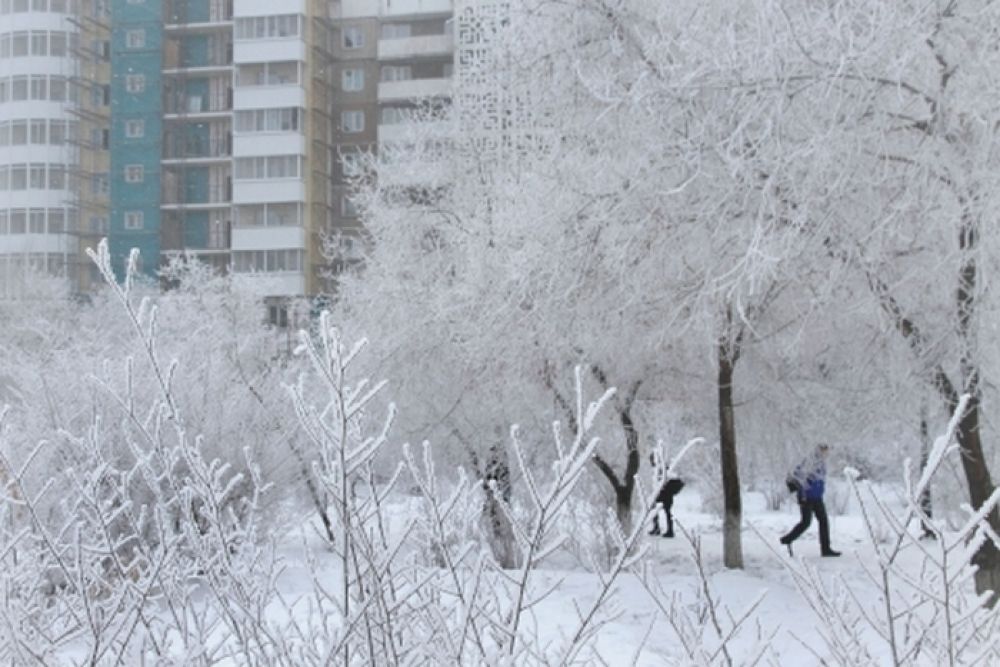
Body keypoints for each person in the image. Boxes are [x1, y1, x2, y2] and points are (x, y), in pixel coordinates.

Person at [780, 443, 841, 557]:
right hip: (806, 497)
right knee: (806, 522)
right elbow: (798, 475)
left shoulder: (822, 462)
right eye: (824, 450)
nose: (827, 452)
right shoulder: (809, 461)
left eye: (827, 450)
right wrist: (803, 492)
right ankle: (786, 540)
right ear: (819, 449)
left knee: (823, 521)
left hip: (817, 497)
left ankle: (826, 549)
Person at [648, 455, 685, 537]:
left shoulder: (662, 468)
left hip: (665, 494)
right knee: (663, 511)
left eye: (651, 460)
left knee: (665, 512)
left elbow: (671, 479)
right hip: (664, 494)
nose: (651, 463)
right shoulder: (662, 468)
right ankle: (660, 529)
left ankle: (666, 530)